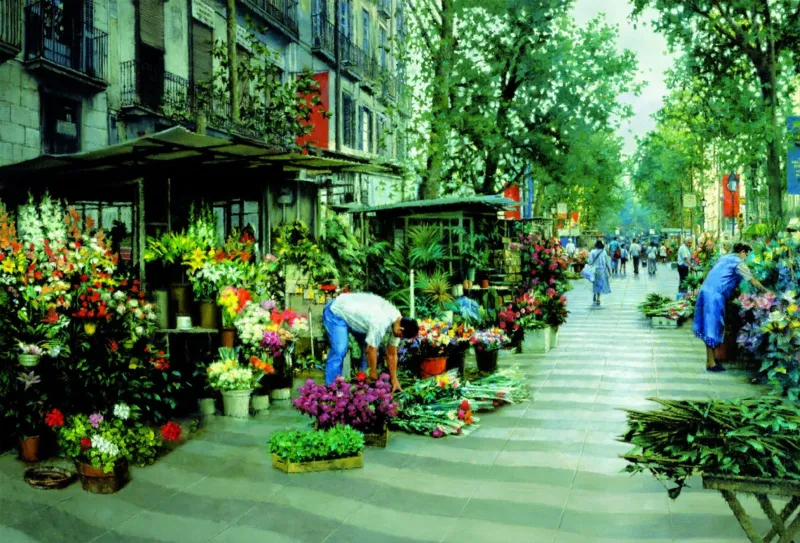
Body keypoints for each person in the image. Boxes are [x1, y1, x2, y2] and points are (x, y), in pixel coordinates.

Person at [323, 292, 419, 392]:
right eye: (401, 336)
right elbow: (371, 350)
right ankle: (332, 389)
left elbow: (391, 353)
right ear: (401, 329)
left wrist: (394, 380)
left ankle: (364, 384)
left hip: (357, 315)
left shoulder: (398, 322)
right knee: (340, 350)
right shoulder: (382, 322)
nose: (400, 338)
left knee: (369, 350)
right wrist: (373, 374)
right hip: (336, 311)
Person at [693, 243, 767, 372]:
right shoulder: (738, 262)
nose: (747, 258)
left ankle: (710, 360)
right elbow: (752, 280)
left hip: (705, 291)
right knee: (712, 327)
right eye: (747, 255)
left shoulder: (724, 258)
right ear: (743, 252)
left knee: (707, 326)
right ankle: (711, 363)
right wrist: (766, 291)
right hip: (714, 295)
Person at [589, 240, 612, 306]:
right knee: (600, 284)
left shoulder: (592, 252)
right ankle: (598, 298)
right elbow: (607, 262)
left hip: (594, 270)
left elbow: (590, 261)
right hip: (602, 270)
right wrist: (610, 271)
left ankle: (594, 294)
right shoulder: (604, 252)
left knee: (595, 283)